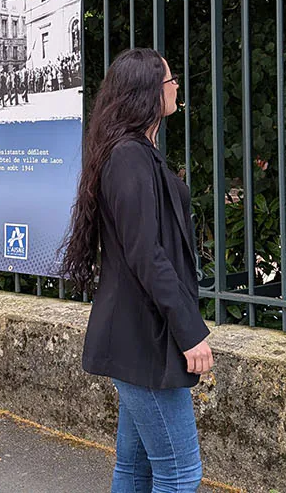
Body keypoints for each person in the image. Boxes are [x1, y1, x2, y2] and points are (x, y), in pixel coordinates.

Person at [60, 48, 211, 493]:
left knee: (137, 469)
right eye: (171, 80)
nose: (177, 86)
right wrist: (191, 331)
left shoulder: (136, 152)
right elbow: (147, 254)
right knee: (181, 475)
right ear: (149, 92)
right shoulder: (128, 157)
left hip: (138, 337)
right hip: (146, 339)